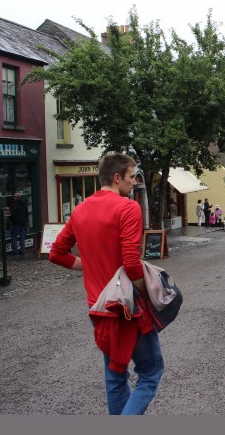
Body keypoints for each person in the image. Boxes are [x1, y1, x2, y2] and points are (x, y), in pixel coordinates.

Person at [48, 153, 163, 415]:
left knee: (115, 373)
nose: (135, 182)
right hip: (126, 306)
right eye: (132, 177)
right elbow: (131, 262)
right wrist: (148, 295)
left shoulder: (80, 210)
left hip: (98, 306)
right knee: (150, 372)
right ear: (117, 177)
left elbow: (56, 253)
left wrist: (88, 264)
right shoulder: (127, 207)